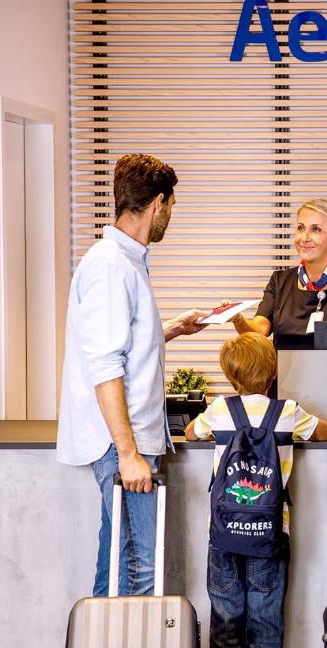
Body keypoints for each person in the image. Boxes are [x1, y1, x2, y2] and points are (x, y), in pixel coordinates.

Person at [57, 153, 211, 597]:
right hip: (119, 444)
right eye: (173, 205)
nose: (170, 215)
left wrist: (172, 330)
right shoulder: (110, 266)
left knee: (115, 560)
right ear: (159, 203)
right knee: (141, 566)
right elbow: (104, 366)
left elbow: (121, 343)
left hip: (127, 441)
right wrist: (127, 454)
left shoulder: (126, 260)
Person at [185, 332, 327, 648]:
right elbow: (325, 432)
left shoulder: (219, 409)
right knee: (266, 621)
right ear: (274, 370)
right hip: (269, 532)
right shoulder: (288, 411)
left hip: (224, 532)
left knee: (226, 620)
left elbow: (190, 433)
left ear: (229, 375)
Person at [232, 198, 327, 349]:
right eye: (300, 228)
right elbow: (259, 330)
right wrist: (238, 319)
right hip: (285, 372)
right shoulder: (279, 280)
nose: (305, 238)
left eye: (316, 229)